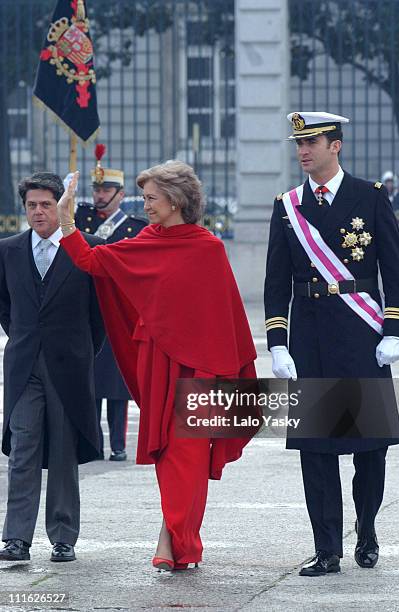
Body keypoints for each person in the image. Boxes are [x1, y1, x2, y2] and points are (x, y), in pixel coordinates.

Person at [57, 160, 257, 571]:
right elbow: (93, 263)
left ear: (176, 200)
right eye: (144, 197)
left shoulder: (209, 249)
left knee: (190, 455)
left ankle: (177, 539)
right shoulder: (146, 240)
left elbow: (226, 320)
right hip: (158, 364)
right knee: (168, 452)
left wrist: (227, 376)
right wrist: (66, 221)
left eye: (151, 198)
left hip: (202, 368)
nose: (145, 205)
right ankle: (176, 537)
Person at [264, 112, 399, 576]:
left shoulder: (369, 197)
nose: (303, 151)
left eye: (313, 142)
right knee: (316, 451)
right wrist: (278, 341)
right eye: (299, 144)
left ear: (336, 146)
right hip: (311, 339)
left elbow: (394, 266)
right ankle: (327, 548)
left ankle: (366, 531)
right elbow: (275, 280)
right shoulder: (287, 205)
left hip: (361, 335)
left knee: (370, 449)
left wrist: (395, 329)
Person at [0, 172, 105, 563]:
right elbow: (6, 308)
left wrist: (79, 352)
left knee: (63, 450)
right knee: (23, 447)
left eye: (46, 205)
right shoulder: (8, 250)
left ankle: (64, 537)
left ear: (63, 207)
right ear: (24, 209)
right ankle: (16, 538)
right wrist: (27, 340)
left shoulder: (89, 248)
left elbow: (100, 316)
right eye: (32, 205)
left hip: (69, 367)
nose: (39, 212)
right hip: (24, 366)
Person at [75, 145, 147, 461]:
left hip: (117, 310)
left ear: (120, 194)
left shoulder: (135, 227)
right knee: (88, 383)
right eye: (96, 188)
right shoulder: (80, 220)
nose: (100, 194)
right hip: (87, 308)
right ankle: (92, 440)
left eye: (106, 189)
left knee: (117, 386)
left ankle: (118, 444)